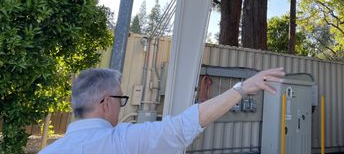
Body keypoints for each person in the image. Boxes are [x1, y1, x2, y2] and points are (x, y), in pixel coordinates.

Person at [39, 66, 285, 153]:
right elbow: (181, 128)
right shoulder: (123, 141)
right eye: (120, 98)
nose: (119, 105)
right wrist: (242, 89)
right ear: (106, 102)